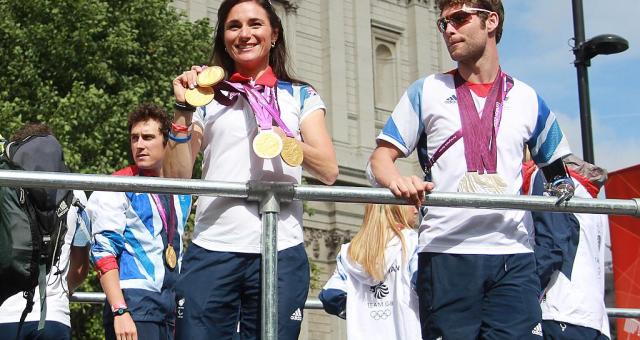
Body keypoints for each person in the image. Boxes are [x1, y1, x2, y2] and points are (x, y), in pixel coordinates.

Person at [368, 0, 575, 338]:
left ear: (490, 21)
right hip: (446, 252)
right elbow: (379, 159)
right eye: (443, 23)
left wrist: (560, 195)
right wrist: (398, 181)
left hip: (514, 255)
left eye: (459, 19)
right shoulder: (426, 91)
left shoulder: (528, 98)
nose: (449, 29)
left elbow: (557, 173)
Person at [167, 0, 338, 338]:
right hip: (214, 244)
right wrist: (182, 110)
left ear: (273, 34)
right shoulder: (208, 97)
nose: (244, 34)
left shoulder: (300, 95)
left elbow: (328, 170)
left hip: (279, 248)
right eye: (234, 26)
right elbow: (176, 176)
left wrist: (285, 138)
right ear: (224, 38)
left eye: (255, 24)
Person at [88, 104, 192, 340]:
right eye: (134, 138)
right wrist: (120, 310)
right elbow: (103, 253)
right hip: (134, 301)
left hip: (171, 304)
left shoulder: (180, 189)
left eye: (148, 137)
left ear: (166, 142)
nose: (139, 145)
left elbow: (187, 144)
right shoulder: (116, 186)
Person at [0, 123, 91, 340]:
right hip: (53, 317)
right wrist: (59, 292)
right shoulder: (74, 189)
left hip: (3, 316)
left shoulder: (5, 187)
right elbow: (79, 268)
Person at [523, 155, 611, 339]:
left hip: (558, 311)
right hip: (595, 320)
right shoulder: (589, 193)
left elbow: (552, 243)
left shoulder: (545, 175)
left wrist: (520, 291)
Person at [319, 204, 421, 340]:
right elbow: (424, 283)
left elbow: (330, 296)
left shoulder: (349, 252)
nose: (417, 209)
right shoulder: (412, 242)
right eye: (412, 203)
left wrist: (358, 312)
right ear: (394, 207)